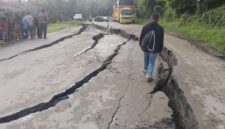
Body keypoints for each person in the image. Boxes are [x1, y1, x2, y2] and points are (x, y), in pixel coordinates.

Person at [139, 13, 164, 82]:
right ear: (158, 19)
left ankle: (146, 70)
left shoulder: (145, 27)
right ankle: (148, 75)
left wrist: (140, 44)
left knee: (146, 59)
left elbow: (141, 36)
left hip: (145, 47)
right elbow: (161, 40)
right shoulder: (161, 29)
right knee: (151, 61)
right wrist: (160, 48)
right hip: (154, 48)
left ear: (151, 18)